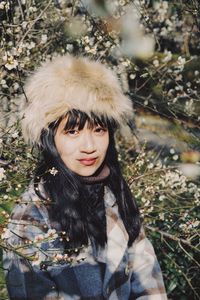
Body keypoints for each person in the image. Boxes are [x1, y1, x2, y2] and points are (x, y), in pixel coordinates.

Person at [3, 55, 167, 300]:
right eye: (72, 131)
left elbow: (149, 284)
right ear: (49, 139)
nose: (89, 146)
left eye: (99, 129)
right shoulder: (30, 219)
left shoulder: (115, 196)